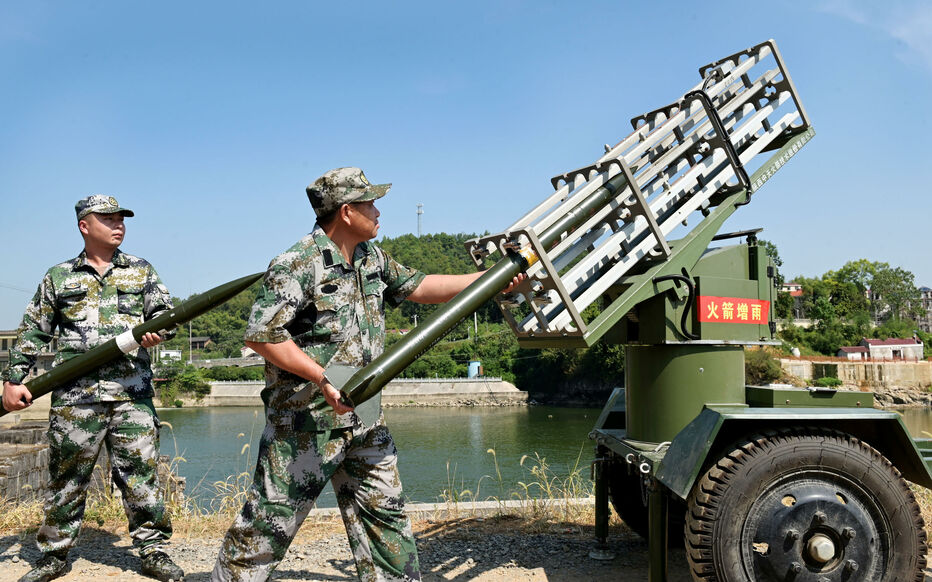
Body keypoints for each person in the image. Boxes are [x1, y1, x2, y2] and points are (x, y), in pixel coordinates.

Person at [211, 167, 524, 582]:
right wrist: (321, 377)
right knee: (266, 528)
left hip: (365, 418)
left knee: (387, 523)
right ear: (345, 212)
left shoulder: (370, 258)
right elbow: (262, 336)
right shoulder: (297, 263)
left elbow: (420, 287)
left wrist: (490, 281)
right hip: (307, 424)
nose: (377, 211)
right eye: (369, 203)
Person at [1, 195, 185, 582]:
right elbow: (34, 329)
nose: (118, 225)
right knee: (67, 478)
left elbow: (166, 317)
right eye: (109, 219)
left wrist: (158, 332)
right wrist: (13, 379)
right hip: (76, 398)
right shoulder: (59, 276)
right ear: (85, 225)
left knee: (141, 476)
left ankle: (152, 549)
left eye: (122, 219)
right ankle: (53, 554)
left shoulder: (141, 271)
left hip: (131, 394)